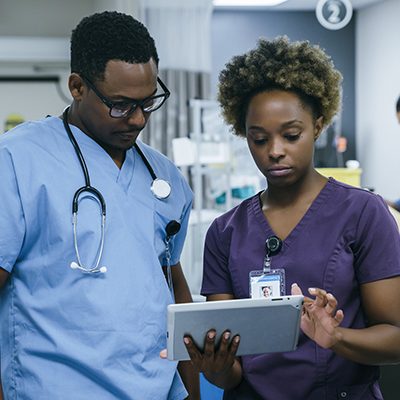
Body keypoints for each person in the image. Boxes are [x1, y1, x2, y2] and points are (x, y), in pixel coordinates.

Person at [183, 36, 400, 399]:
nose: (275, 151)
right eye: (259, 139)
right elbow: (230, 373)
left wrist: (338, 338)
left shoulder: (363, 213)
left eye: (291, 135)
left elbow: (395, 336)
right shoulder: (225, 232)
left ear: (317, 125)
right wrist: (216, 367)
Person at [0, 11, 199, 400]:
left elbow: (173, 289)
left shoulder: (164, 177)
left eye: (148, 102)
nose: (138, 119)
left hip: (156, 389)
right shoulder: (18, 160)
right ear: (77, 87)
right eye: (121, 105)